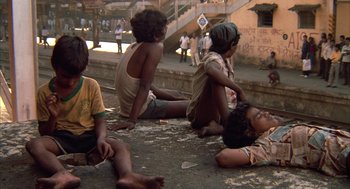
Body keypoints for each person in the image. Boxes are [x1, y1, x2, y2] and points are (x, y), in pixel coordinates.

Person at [25, 35, 164, 189]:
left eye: (76, 77)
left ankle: (127, 176)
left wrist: (101, 139)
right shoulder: (44, 93)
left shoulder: (91, 85)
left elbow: (100, 120)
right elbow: (44, 132)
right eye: (65, 76)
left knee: (122, 146)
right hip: (61, 138)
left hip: (89, 136)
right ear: (55, 66)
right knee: (34, 145)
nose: (71, 82)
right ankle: (62, 174)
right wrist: (53, 116)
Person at [216, 102, 350, 177]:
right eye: (260, 116)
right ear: (250, 133)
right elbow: (224, 157)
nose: (267, 113)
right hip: (342, 154)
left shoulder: (280, 130)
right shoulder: (266, 146)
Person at [111, 9, 189, 131]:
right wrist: (132, 120)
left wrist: (173, 97)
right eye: (164, 26)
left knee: (178, 94)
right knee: (193, 106)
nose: (166, 29)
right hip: (141, 109)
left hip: (127, 107)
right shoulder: (155, 47)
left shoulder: (133, 47)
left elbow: (146, 86)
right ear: (156, 33)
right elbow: (144, 86)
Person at [186, 22, 246, 138]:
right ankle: (227, 126)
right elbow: (212, 71)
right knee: (216, 79)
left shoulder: (224, 60)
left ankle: (218, 127)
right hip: (200, 115)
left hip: (213, 114)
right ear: (232, 44)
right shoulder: (213, 58)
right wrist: (239, 90)